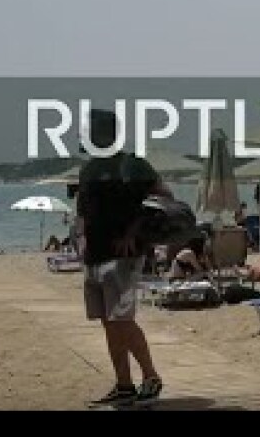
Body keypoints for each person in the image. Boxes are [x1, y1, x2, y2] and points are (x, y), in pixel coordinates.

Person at [76, 109, 169, 407]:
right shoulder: (88, 170)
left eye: (91, 130)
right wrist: (79, 238)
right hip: (94, 255)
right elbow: (82, 211)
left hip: (122, 257)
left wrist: (134, 231)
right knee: (108, 322)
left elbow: (163, 197)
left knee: (122, 320)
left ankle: (151, 377)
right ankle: (124, 384)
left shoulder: (134, 166)